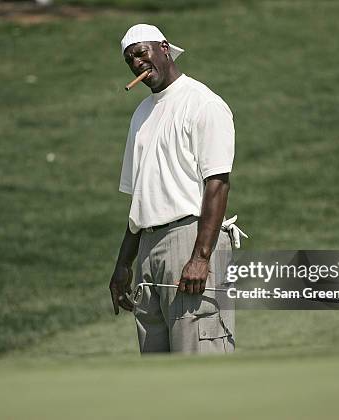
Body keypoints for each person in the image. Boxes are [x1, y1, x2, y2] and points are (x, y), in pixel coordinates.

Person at [109, 23, 244, 354]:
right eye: (130, 60)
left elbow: (218, 183)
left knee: (199, 356)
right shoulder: (141, 115)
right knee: (159, 371)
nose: (137, 64)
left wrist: (201, 257)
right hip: (147, 249)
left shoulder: (202, 103)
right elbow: (141, 197)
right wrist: (123, 265)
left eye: (142, 53)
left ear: (164, 49)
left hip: (190, 239)